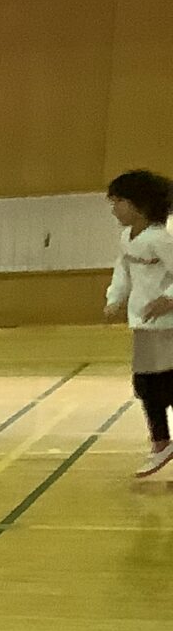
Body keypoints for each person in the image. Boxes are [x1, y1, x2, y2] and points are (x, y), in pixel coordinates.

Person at [104, 168, 173, 477]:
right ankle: (161, 442)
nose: (115, 209)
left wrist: (168, 299)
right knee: (146, 385)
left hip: (167, 324)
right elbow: (123, 272)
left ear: (140, 205)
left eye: (119, 201)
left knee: (163, 384)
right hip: (144, 324)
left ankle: (161, 443)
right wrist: (114, 299)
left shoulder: (159, 239)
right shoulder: (127, 238)